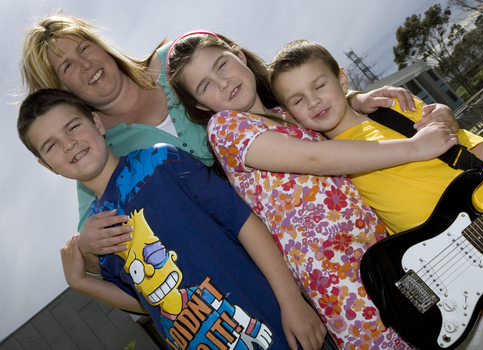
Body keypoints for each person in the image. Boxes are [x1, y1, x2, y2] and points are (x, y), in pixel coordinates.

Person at [21, 12, 430, 271]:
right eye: (67, 67)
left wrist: (352, 100)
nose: (86, 64)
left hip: (342, 202)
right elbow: (93, 237)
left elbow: (278, 90)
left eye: (84, 48)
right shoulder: (97, 147)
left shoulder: (177, 60)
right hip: (278, 258)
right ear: (61, 91)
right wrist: (87, 248)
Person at [166, 31, 461, 349]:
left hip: (387, 249)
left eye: (222, 65)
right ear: (200, 104)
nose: (222, 82)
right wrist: (415, 148)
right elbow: (314, 157)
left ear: (238, 55)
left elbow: (326, 111)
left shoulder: (286, 114)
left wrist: (354, 98)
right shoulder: (225, 128)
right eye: (206, 85)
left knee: (446, 329)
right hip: (339, 278)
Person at [17, 88, 332, 350]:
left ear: (97, 122)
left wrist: (291, 301)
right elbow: (147, 301)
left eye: (72, 127)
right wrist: (80, 282)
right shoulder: (99, 230)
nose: (68, 143)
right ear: (48, 166)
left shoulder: (160, 160)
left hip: (277, 328)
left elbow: (243, 221)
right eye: (51, 145)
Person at [268, 39, 483, 347]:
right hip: (470, 274)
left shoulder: (394, 108)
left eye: (319, 85)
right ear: (290, 115)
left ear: (342, 79)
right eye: (297, 99)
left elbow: (468, 145)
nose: (314, 102)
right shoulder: (325, 165)